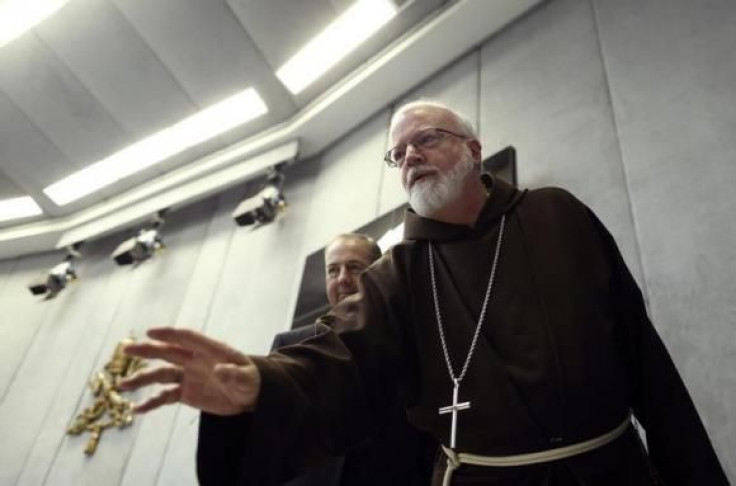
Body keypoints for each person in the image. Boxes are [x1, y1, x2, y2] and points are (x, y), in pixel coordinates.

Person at [121, 100, 728, 485]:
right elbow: (344, 362)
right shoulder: (397, 272)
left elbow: (644, 357)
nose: (409, 155)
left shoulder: (556, 215)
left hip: (612, 473)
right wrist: (263, 385)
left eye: (426, 139)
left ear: (472, 148)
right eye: (398, 152)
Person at [197, 233, 435, 486]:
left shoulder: (408, 343)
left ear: (377, 273)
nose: (342, 278)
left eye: (354, 267)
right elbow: (275, 436)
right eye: (333, 270)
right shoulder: (292, 345)